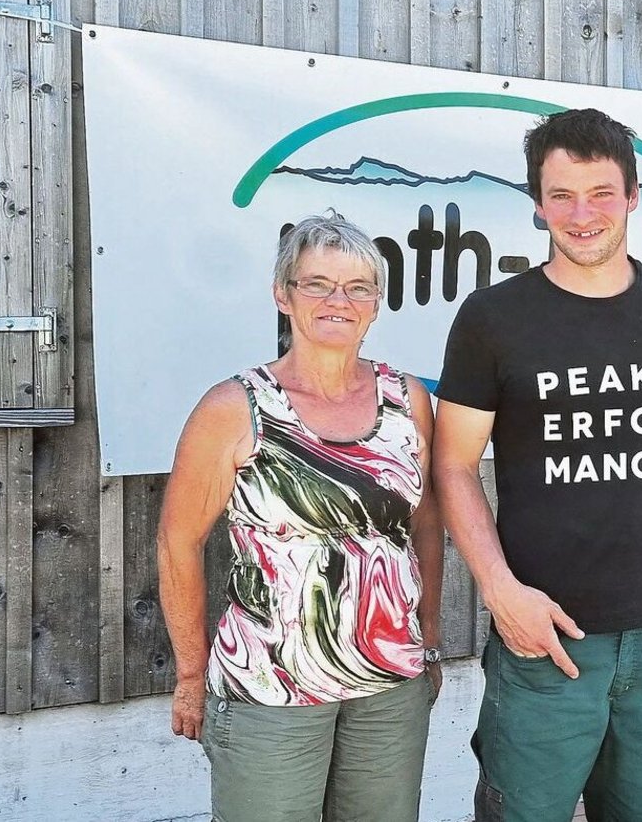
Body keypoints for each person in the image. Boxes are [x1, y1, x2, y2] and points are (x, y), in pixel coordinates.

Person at [433, 108, 642, 822]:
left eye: (601, 193)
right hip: (543, 637)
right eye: (561, 196)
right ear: (538, 205)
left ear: (633, 197)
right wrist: (500, 591)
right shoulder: (492, 317)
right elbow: (453, 464)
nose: (582, 214)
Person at [157, 212, 444, 822]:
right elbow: (178, 543)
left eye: (358, 287)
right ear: (282, 295)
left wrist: (430, 642)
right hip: (270, 686)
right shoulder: (235, 407)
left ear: (376, 304)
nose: (339, 301)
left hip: (390, 685)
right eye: (317, 284)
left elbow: (424, 526)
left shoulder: (407, 399)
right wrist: (190, 674)